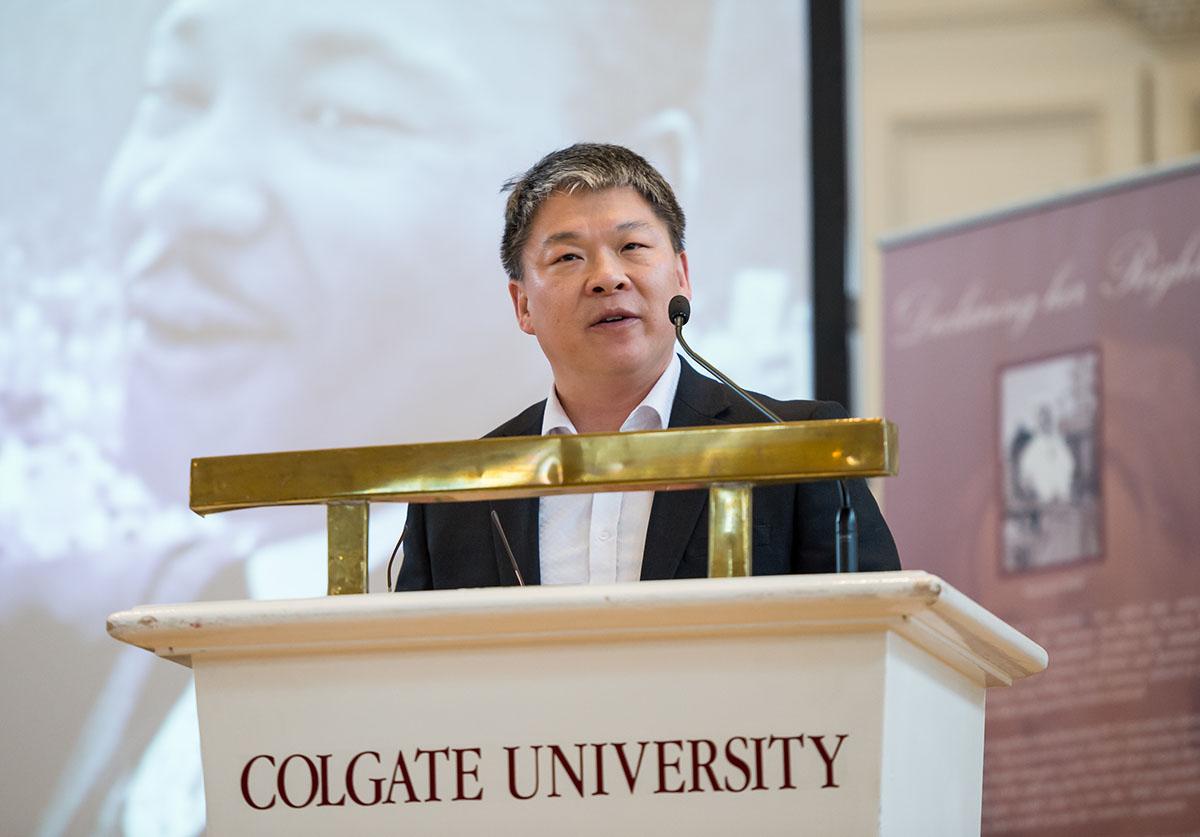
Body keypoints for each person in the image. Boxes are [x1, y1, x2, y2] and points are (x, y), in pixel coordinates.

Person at [396, 143, 899, 590]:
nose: (606, 278)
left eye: (632, 247)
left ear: (681, 275)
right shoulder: (457, 493)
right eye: (568, 257)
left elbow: (876, 639)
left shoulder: (797, 448)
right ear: (522, 305)